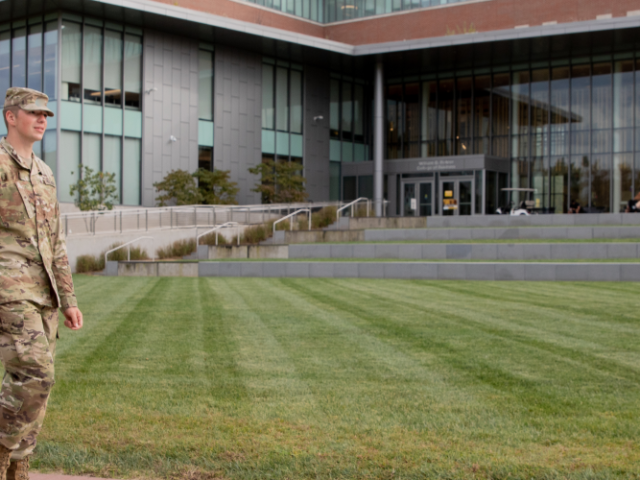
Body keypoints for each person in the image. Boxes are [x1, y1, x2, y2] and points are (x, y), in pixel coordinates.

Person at [0, 87, 83, 480]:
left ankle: (18, 464)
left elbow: (56, 241)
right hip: (8, 288)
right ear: (10, 116)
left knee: (36, 383)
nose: (42, 119)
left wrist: (68, 297)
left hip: (43, 292)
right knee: (37, 373)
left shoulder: (45, 173)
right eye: (32, 112)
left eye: (46, 114)